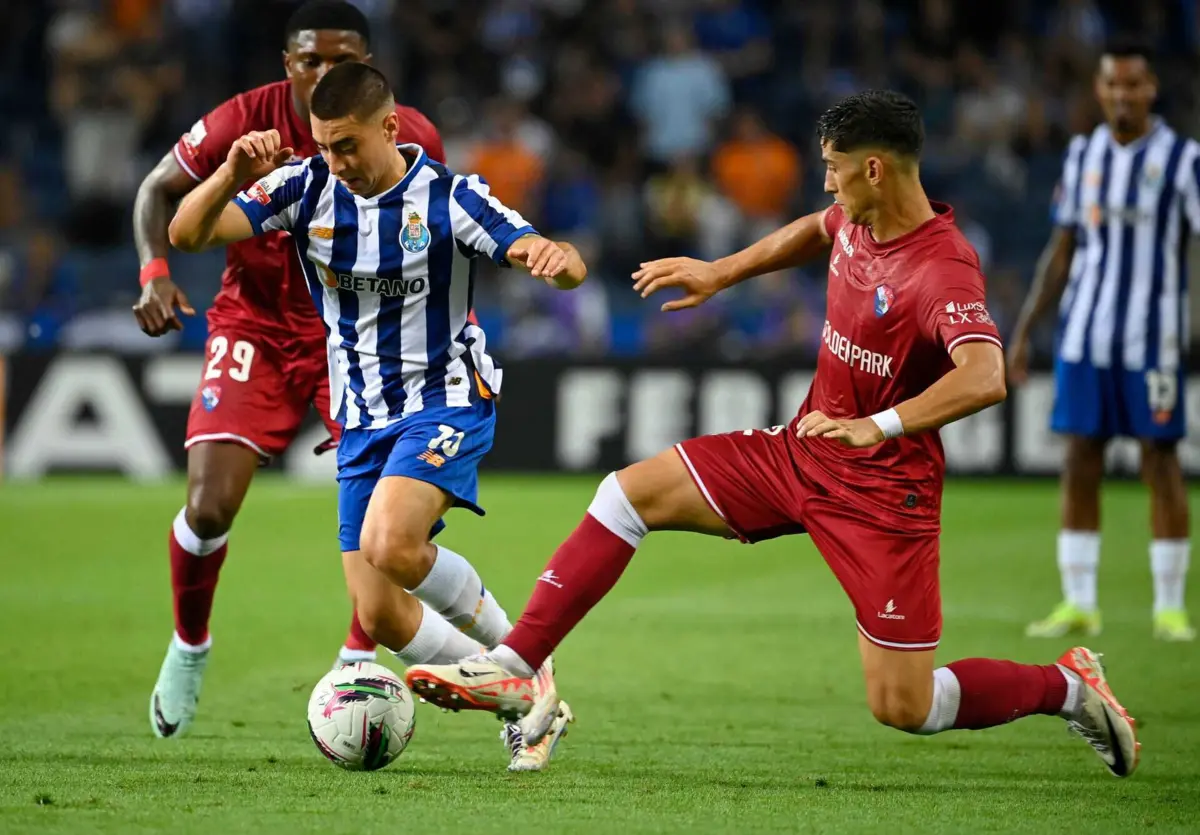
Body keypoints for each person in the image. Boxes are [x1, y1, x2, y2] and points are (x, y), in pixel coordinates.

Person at [404, 90, 1141, 778]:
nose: (826, 183)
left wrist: (873, 425)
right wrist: (720, 273)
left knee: (905, 706)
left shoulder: (942, 269)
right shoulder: (860, 216)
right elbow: (814, 232)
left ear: (875, 169)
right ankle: (516, 661)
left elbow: (985, 375)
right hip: (800, 452)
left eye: (834, 169)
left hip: (885, 495)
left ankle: (1067, 685)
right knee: (626, 494)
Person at [167, 60, 587, 772]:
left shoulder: (452, 199)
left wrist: (553, 259)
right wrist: (231, 171)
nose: (337, 161)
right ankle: (526, 697)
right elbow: (187, 232)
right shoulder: (304, 187)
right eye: (325, 145)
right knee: (385, 614)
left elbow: (559, 259)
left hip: (447, 395)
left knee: (393, 543)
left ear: (389, 127)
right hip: (361, 417)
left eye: (348, 145)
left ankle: (522, 663)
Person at [130, 0, 462, 745]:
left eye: (342, 60)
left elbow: (438, 237)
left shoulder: (405, 134)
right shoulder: (242, 121)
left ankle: (356, 658)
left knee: (393, 511)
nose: (324, 73)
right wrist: (155, 270)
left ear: (369, 66)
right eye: (310, 60)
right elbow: (158, 192)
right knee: (210, 505)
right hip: (254, 323)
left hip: (357, 336)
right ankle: (190, 643)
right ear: (288, 64)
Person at [1010, 38, 1197, 642]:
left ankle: (1169, 607)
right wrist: (1022, 330)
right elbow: (1062, 251)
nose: (1122, 95)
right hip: (1083, 338)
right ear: (1099, 90)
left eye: (1132, 85)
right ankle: (1079, 601)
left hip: (1155, 340)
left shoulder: (1184, 160)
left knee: (1160, 460)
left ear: (1150, 90)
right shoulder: (1082, 155)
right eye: (1112, 85)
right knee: (1079, 460)